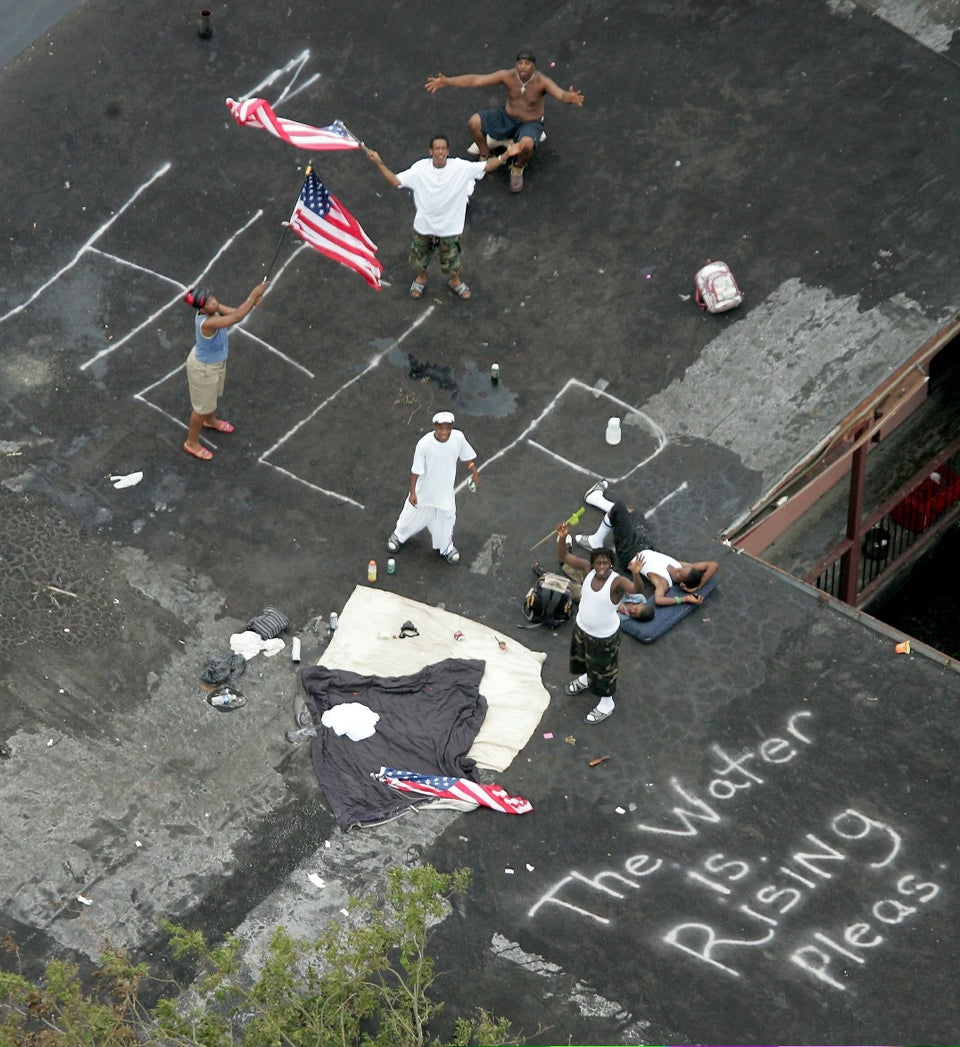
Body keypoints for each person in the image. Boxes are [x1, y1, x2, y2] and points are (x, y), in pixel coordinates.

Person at [366, 135, 520, 300]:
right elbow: (396, 181)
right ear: (430, 152)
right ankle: (421, 278)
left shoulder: (460, 167)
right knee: (421, 257)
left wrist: (505, 156)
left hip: (450, 228)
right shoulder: (419, 169)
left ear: (448, 151)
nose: (440, 152)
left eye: (443, 148)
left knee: (451, 260)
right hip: (424, 227)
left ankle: (455, 281)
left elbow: (487, 166)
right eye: (437, 148)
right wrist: (378, 162)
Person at [424, 48, 584, 193]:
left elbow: (560, 94)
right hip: (506, 117)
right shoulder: (507, 76)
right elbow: (476, 80)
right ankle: (485, 155)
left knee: (527, 145)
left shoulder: (543, 82)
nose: (522, 67)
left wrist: (569, 98)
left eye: (527, 63)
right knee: (474, 122)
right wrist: (447, 81)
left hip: (530, 123)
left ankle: (518, 167)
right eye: (520, 63)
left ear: (533, 66)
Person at [556, 520, 644, 725]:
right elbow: (564, 556)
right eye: (598, 563)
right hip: (582, 629)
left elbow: (638, 590)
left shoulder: (617, 582)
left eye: (606, 563)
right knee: (585, 660)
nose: (602, 567)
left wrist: (636, 573)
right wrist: (562, 537)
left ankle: (607, 703)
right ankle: (587, 679)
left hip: (604, 638)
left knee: (604, 670)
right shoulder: (587, 570)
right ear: (593, 563)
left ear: (611, 564)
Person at [182, 281, 266, 461]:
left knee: (211, 397)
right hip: (203, 368)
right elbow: (236, 317)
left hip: (215, 363)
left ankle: (210, 421)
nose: (214, 302)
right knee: (200, 408)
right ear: (201, 309)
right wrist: (253, 295)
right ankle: (191, 443)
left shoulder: (213, 309)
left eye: (212, 298)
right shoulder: (208, 322)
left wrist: (251, 303)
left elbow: (238, 312)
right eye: (209, 302)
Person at [387, 411, 480, 564]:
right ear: (434, 427)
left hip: (445, 494)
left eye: (448, 428)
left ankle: (446, 547)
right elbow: (415, 471)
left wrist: (474, 472)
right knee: (411, 515)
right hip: (425, 492)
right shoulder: (424, 444)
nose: (444, 432)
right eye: (441, 428)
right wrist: (412, 492)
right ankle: (398, 535)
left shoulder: (458, 438)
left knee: (447, 520)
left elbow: (466, 457)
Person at [574, 479, 652, 573]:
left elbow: (660, 586)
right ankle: (595, 499)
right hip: (644, 546)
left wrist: (636, 574)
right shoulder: (673, 566)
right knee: (636, 514)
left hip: (632, 552)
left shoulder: (664, 581)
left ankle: (594, 541)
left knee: (619, 508)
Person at [633, 548, 719, 607]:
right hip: (644, 546)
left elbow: (659, 600)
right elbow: (714, 565)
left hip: (630, 553)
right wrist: (698, 587)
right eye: (682, 569)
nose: (677, 569)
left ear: (682, 584)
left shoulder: (664, 582)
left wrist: (685, 599)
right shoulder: (680, 566)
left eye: (679, 573)